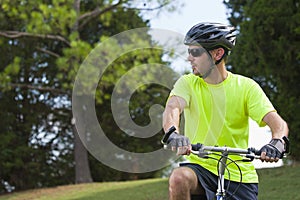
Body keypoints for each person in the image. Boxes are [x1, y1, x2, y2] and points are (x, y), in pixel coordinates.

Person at [162, 22, 289, 200]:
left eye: (195, 52)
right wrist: (173, 133)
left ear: (217, 53)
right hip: (201, 169)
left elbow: (278, 123)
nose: (189, 58)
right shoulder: (187, 83)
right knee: (179, 178)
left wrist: (277, 142)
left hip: (240, 177)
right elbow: (173, 107)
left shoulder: (246, 87)